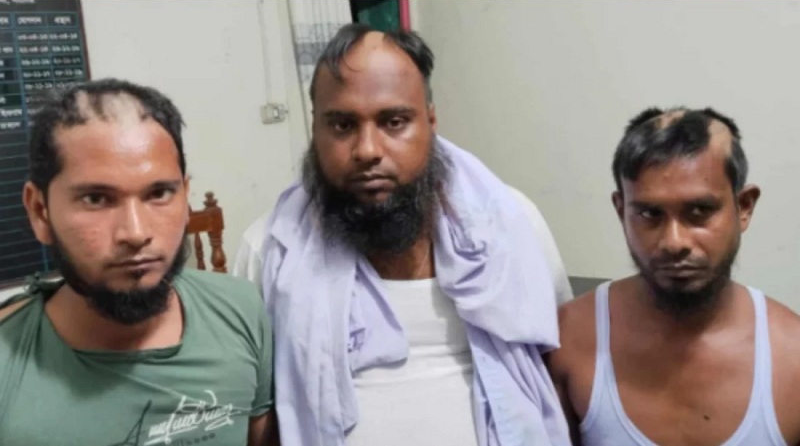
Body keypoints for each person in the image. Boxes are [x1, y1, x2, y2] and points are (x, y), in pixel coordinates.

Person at [232, 23, 572, 446]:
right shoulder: (268, 248)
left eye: (394, 122)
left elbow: (560, 363)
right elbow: (253, 414)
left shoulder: (512, 224)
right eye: (342, 125)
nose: (367, 150)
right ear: (314, 129)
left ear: (431, 121)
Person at [0, 79, 277, 446]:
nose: (135, 232)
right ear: (40, 211)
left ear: (186, 196)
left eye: (159, 193)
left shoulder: (241, 310)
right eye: (96, 198)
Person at [546, 107, 800, 446]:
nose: (673, 242)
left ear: (744, 207)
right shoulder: (567, 343)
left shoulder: (793, 358)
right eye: (649, 214)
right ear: (621, 211)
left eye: (700, 211)